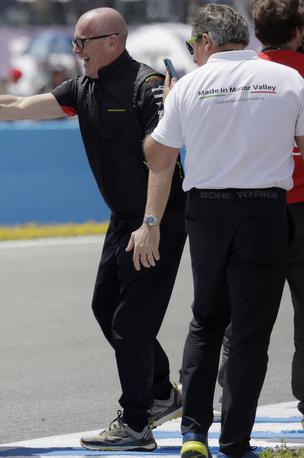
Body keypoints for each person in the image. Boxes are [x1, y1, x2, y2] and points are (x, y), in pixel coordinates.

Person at [0, 7, 186, 450]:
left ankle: (137, 423)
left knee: (132, 322)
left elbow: (163, 159)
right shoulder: (83, 87)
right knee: (106, 309)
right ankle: (160, 391)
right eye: (74, 42)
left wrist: (151, 224)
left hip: (158, 219)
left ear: (112, 41)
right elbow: (25, 105)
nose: (76, 50)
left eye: (83, 42)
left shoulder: (147, 87)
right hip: (125, 219)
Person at [133, 4, 304, 457]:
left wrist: (150, 222)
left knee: (207, 321)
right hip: (264, 208)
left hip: (206, 211)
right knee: (250, 333)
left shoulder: (188, 86)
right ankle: (235, 443)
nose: (192, 53)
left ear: (207, 41)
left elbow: (158, 157)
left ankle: (193, 435)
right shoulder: (289, 80)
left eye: (193, 45)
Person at [215, 0, 304, 423]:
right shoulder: (295, 75)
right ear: (298, 31)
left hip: (252, 204)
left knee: (244, 309)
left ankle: (231, 383)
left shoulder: (243, 76)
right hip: (300, 206)